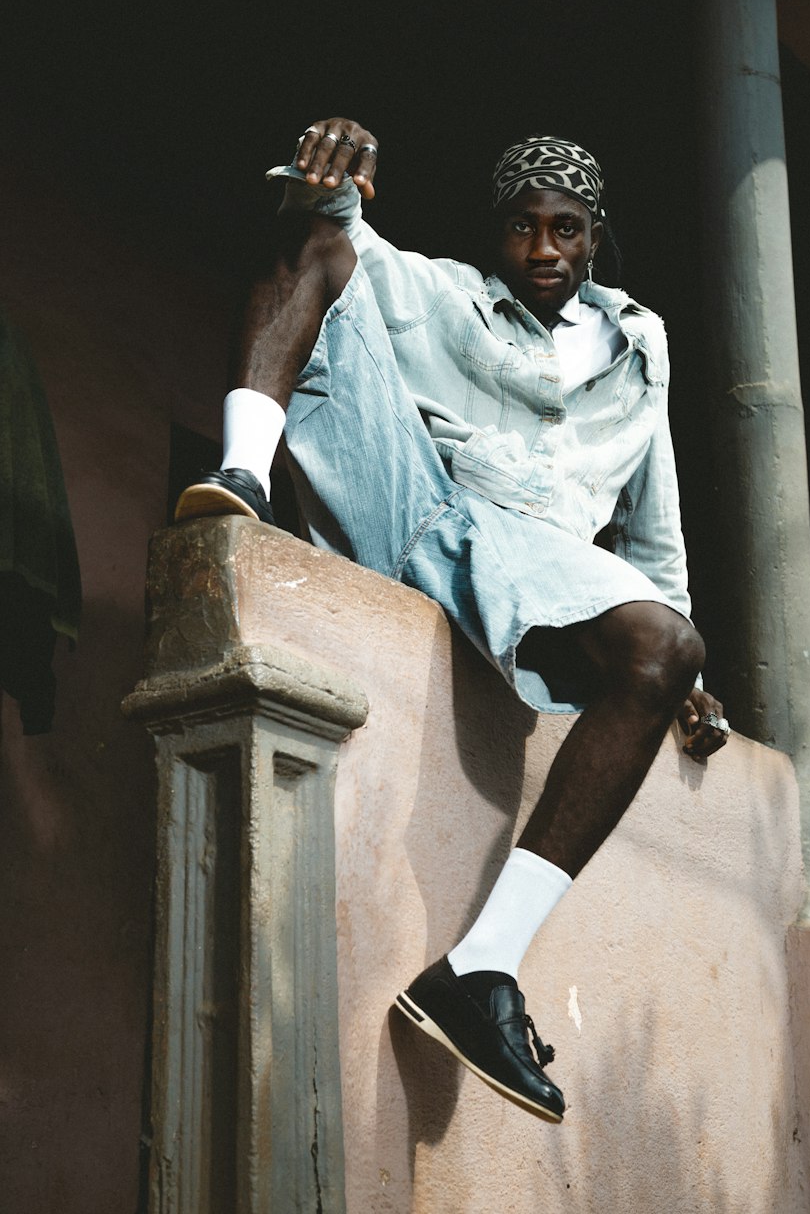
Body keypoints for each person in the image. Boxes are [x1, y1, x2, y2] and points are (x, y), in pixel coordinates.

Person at [175, 118, 731, 1123]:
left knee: (665, 642)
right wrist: (334, 167)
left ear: (595, 234)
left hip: (543, 561)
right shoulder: (448, 295)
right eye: (522, 229)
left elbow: (654, 521)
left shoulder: (639, 347)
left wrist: (676, 643)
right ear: (498, 233)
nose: (543, 251)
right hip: (418, 503)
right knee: (322, 246)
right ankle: (238, 474)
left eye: (564, 229)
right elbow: (340, 227)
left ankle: (478, 968)